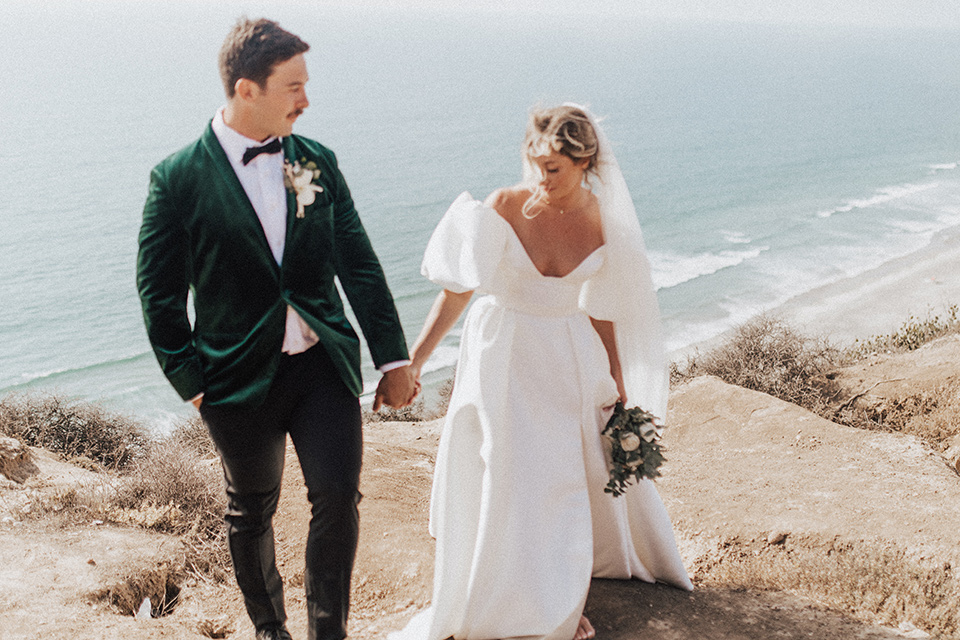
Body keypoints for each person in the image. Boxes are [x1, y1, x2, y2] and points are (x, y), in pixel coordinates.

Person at [136, 18, 418, 640]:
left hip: (321, 366)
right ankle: (270, 628)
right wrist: (193, 382)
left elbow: (359, 263)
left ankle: (328, 632)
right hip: (235, 378)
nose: (306, 100)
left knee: (338, 499)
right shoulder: (176, 179)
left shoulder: (317, 160)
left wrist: (393, 360)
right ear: (246, 89)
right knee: (251, 509)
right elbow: (159, 295)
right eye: (293, 86)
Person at [390, 105, 693, 640]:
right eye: (536, 164)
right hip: (501, 350)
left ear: (585, 162)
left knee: (557, 479)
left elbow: (601, 308)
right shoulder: (503, 206)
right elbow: (457, 292)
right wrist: (414, 361)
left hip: (566, 355)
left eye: (553, 168)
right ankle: (502, 588)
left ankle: (556, 593)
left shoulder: (605, 218)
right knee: (508, 469)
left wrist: (617, 379)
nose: (541, 179)